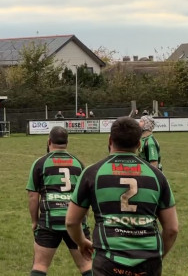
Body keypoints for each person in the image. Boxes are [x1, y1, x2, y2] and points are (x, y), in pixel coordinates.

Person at [66, 117, 179, 276]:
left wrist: (82, 242)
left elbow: (71, 221)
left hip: (108, 261)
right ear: (139, 144)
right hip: (148, 262)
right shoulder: (157, 176)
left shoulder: (93, 173)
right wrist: (157, 256)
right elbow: (172, 229)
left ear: (110, 140)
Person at [26, 127, 91, 276]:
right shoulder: (78, 164)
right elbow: (84, 197)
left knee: (40, 265)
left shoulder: (40, 163)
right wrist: (83, 219)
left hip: (49, 221)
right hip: (75, 221)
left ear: (49, 141)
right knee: (87, 265)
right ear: (67, 142)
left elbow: (33, 196)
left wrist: (34, 221)